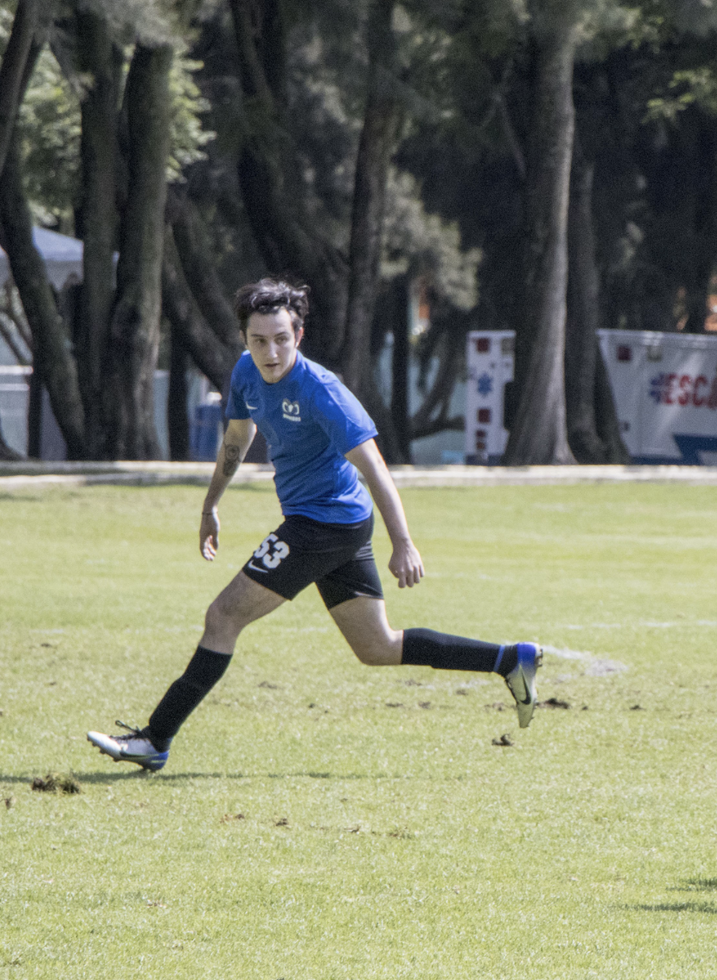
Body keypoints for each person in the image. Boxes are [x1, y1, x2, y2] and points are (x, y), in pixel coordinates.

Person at [87, 277, 542, 773]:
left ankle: (155, 738)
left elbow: (376, 470)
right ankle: (509, 660)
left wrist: (404, 543)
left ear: (298, 336)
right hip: (337, 522)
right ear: (245, 339)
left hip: (323, 524)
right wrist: (210, 504)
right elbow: (238, 436)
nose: (271, 351)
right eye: (259, 340)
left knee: (223, 617)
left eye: (281, 339)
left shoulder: (324, 392)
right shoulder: (245, 373)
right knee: (377, 647)